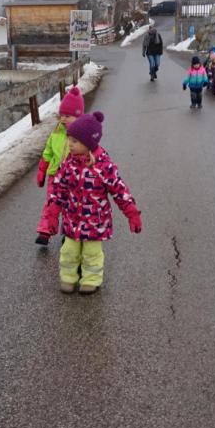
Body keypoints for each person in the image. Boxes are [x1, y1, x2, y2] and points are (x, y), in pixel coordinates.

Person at [45, 112, 143, 294]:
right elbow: (58, 189)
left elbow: (119, 190)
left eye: (75, 141)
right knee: (68, 251)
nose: (70, 144)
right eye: (69, 140)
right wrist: (52, 214)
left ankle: (91, 279)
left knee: (91, 253)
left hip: (95, 221)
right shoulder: (68, 164)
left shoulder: (103, 166)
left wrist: (132, 213)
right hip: (72, 219)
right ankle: (68, 277)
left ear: (88, 143)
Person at [35, 86, 85, 245]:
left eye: (67, 116)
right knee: (51, 202)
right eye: (61, 115)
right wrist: (42, 169)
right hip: (55, 176)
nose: (63, 119)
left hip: (73, 177)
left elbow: (89, 155)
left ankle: (69, 231)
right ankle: (45, 230)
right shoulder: (56, 132)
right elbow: (48, 151)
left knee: (71, 205)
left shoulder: (82, 136)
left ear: (78, 116)